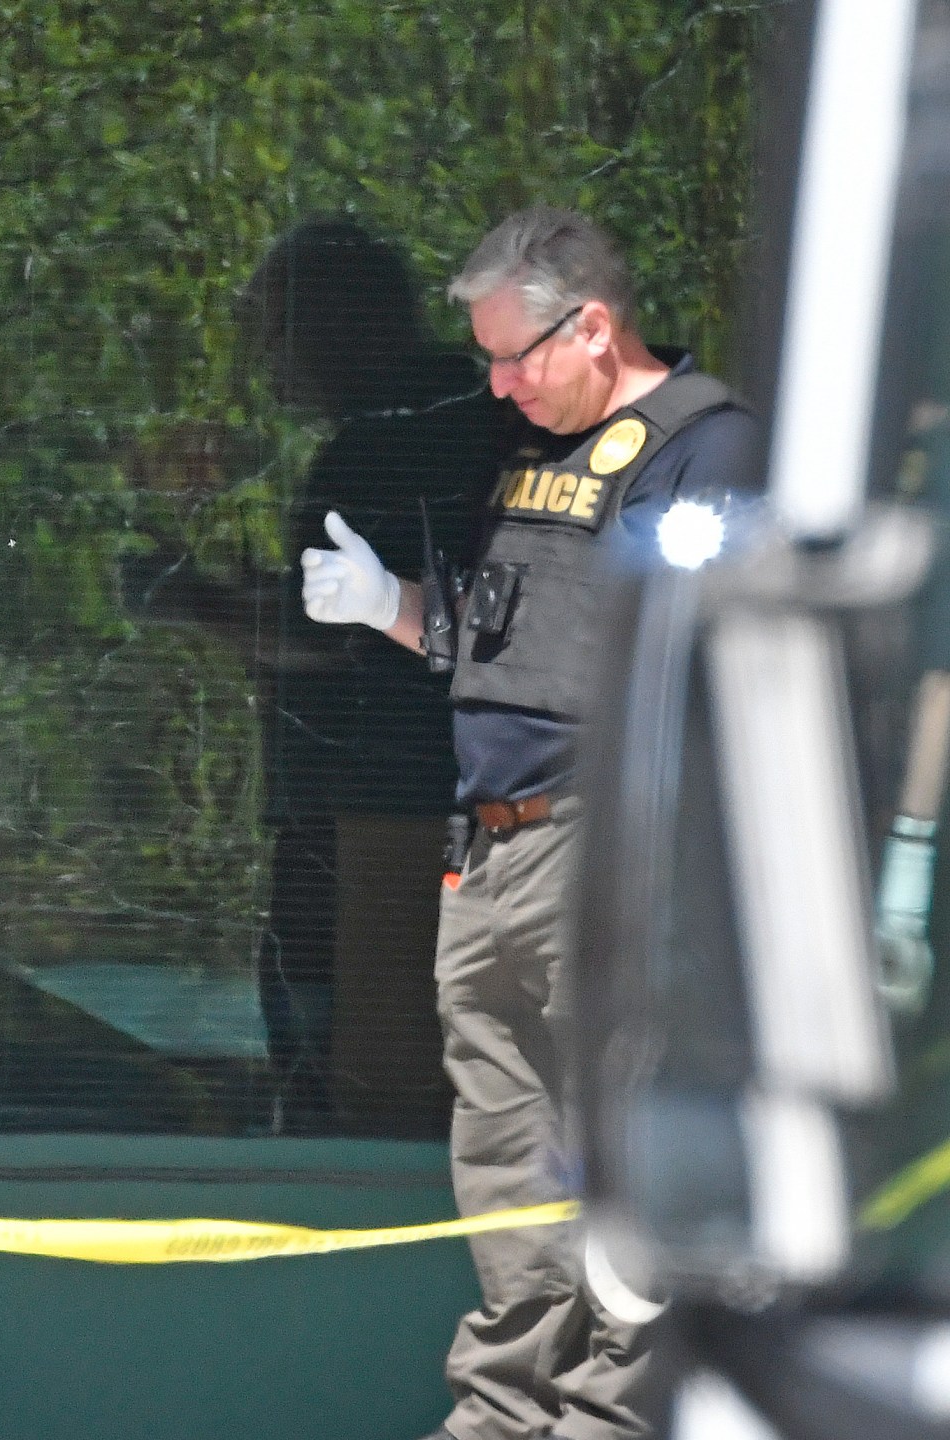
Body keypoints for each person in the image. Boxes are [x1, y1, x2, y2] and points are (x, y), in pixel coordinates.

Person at [298, 207, 761, 1440]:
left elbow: (697, 665)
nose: (496, 387)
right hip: (485, 853)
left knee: (618, 1162)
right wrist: (387, 606)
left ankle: (613, 1414)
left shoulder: (701, 452)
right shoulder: (529, 451)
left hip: (607, 850)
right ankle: (502, 1414)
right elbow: (506, 644)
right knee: (507, 1171)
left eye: (515, 358)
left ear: (594, 326)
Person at [240, 219, 531, 1131]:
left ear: (339, 324)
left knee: (352, 1085)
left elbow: (324, 636)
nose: (265, 367)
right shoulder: (485, 416)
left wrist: (182, 602)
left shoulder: (380, 441)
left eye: (272, 335)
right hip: (479, 809)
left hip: (381, 822)